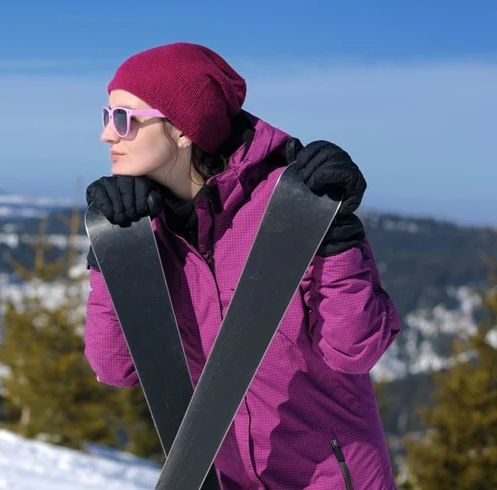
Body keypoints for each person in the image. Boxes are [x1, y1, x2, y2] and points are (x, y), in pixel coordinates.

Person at [84, 42, 400, 490]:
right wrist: (113, 253)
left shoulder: (292, 205)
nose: (106, 135)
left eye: (124, 119)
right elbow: (114, 368)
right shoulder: (148, 230)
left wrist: (336, 241)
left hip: (330, 479)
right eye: (105, 116)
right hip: (224, 479)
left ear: (181, 129)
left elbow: (354, 350)